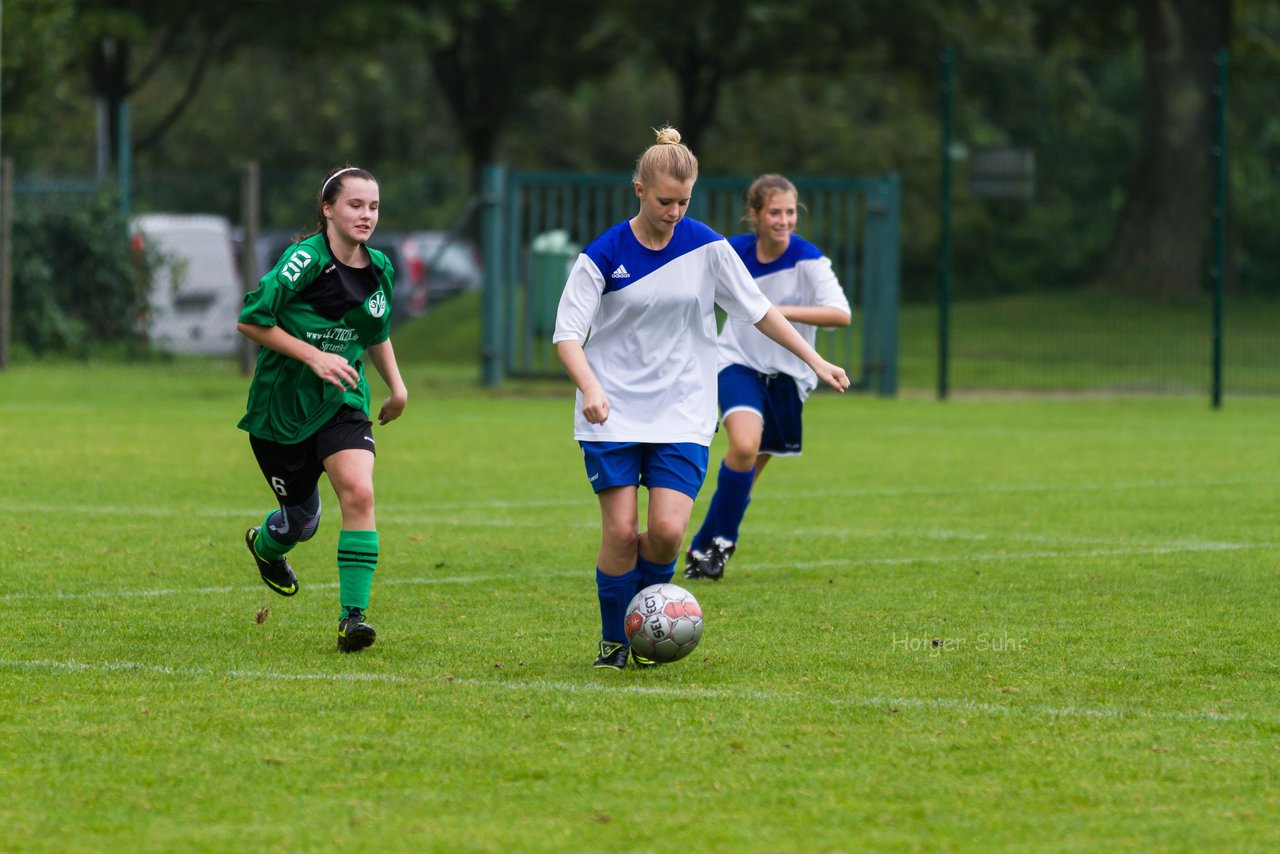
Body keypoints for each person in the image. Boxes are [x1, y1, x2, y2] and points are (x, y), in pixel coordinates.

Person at [552, 129, 850, 671]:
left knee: (665, 533)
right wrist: (591, 387)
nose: (674, 211)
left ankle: (647, 624)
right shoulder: (603, 253)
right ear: (638, 189)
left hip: (683, 411)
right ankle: (615, 642)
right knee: (621, 532)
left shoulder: (708, 247)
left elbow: (759, 310)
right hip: (612, 410)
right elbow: (566, 335)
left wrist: (816, 361)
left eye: (683, 202)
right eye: (665, 200)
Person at [236, 164, 408, 653]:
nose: (366, 215)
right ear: (328, 209)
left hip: (342, 401)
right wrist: (313, 355)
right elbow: (251, 319)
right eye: (356, 205)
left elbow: (376, 331)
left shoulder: (380, 269)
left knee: (358, 492)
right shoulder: (302, 262)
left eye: (373, 206)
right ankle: (267, 544)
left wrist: (397, 387)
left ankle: (353, 617)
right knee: (302, 522)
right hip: (281, 411)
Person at [684, 174, 852, 582]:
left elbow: (840, 314)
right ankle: (723, 541)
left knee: (746, 470)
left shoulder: (808, 260)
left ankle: (702, 549)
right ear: (754, 216)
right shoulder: (731, 251)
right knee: (743, 445)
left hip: (790, 376)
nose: (783, 219)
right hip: (737, 362)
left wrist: (774, 310)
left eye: (790, 212)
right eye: (774, 212)